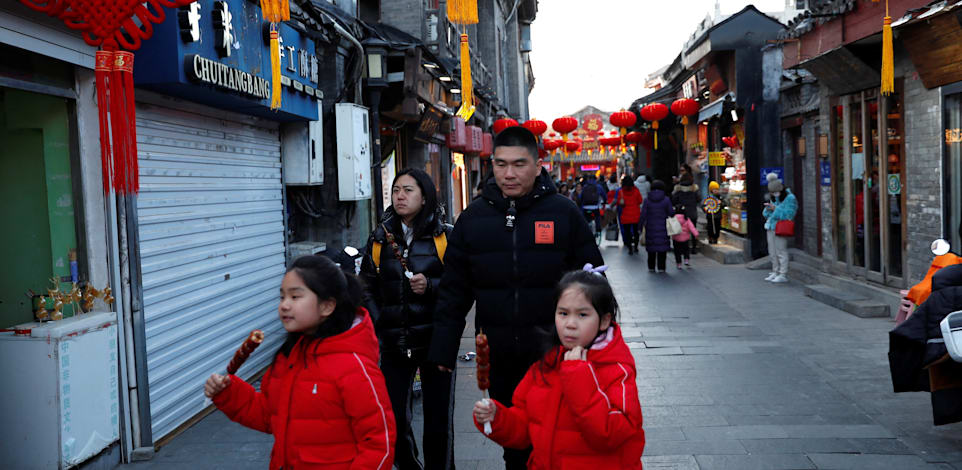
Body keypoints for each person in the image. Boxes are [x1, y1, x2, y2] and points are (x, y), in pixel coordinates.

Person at [428, 126, 604, 469]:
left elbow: (595, 282)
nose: (509, 173)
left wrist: (599, 345)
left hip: (556, 354)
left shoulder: (564, 214)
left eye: (519, 164)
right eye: (501, 164)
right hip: (499, 356)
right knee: (514, 442)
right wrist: (442, 349)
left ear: (538, 166)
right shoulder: (473, 219)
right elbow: (454, 290)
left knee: (559, 438)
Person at [205, 255, 396, 470]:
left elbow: (380, 444)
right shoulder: (288, 358)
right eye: (282, 297)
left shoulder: (355, 368)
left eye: (295, 297)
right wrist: (228, 393)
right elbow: (270, 416)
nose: (284, 305)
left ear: (327, 306)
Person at [472, 268, 645, 469]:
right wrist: (498, 418)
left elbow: (612, 435)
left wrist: (579, 379)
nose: (570, 324)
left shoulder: (617, 370)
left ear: (605, 320)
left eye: (582, 315)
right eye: (563, 313)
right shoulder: (546, 365)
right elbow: (527, 425)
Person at [359, 168, 454, 470]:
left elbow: (460, 285)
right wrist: (379, 322)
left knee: (438, 420)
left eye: (408, 190)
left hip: (435, 341)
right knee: (393, 416)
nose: (400, 196)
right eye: (396, 190)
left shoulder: (444, 236)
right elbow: (366, 287)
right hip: (393, 342)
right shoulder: (379, 238)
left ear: (424, 196)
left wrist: (431, 286)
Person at [763, 173, 798, 283]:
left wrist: (775, 209)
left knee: (781, 251)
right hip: (771, 226)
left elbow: (789, 214)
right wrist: (768, 209)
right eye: (772, 193)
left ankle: (783, 273)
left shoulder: (790, 198)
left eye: (775, 192)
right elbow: (766, 214)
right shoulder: (774, 198)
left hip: (781, 227)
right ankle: (775, 271)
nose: (774, 194)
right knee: (772, 251)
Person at [639, 180, 673, 273]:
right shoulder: (666, 199)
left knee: (651, 248)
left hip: (650, 227)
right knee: (662, 247)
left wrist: (640, 226)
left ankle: (651, 267)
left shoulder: (647, 200)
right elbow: (671, 213)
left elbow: (643, 215)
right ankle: (661, 267)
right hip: (663, 227)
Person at [672, 168, 700, 255]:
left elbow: (673, 200)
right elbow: (698, 199)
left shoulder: (678, 189)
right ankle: (694, 248)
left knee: (680, 230)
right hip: (692, 212)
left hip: (681, 213)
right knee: (693, 229)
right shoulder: (694, 189)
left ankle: (682, 247)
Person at [617, 175, 644, 255]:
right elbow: (640, 200)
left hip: (625, 215)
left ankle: (629, 248)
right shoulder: (636, 190)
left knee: (627, 232)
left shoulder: (621, 191)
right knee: (636, 232)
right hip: (635, 215)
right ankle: (635, 247)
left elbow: (619, 202)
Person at [672, 204, 699, 269]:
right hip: (685, 238)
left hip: (676, 238)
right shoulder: (686, 219)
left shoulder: (673, 219)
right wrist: (696, 234)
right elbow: (692, 227)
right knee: (686, 250)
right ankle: (686, 260)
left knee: (677, 252)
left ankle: (679, 264)